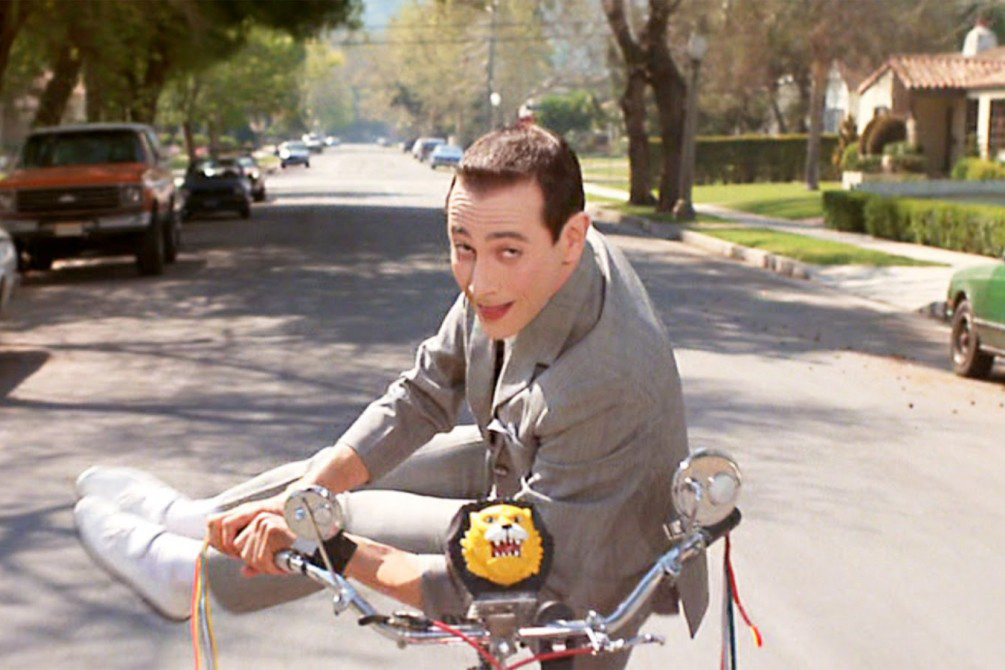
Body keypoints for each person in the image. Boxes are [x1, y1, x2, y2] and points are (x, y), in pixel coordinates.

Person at [74, 124, 708, 669]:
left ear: (571, 238)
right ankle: (205, 521)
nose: (480, 282)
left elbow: (515, 579)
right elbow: (423, 392)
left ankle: (186, 579)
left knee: (342, 518)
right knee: (333, 481)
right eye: (463, 248)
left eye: (506, 253)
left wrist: (334, 544)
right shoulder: (526, 249)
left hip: (584, 569)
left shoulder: (606, 384)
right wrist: (305, 495)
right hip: (531, 459)